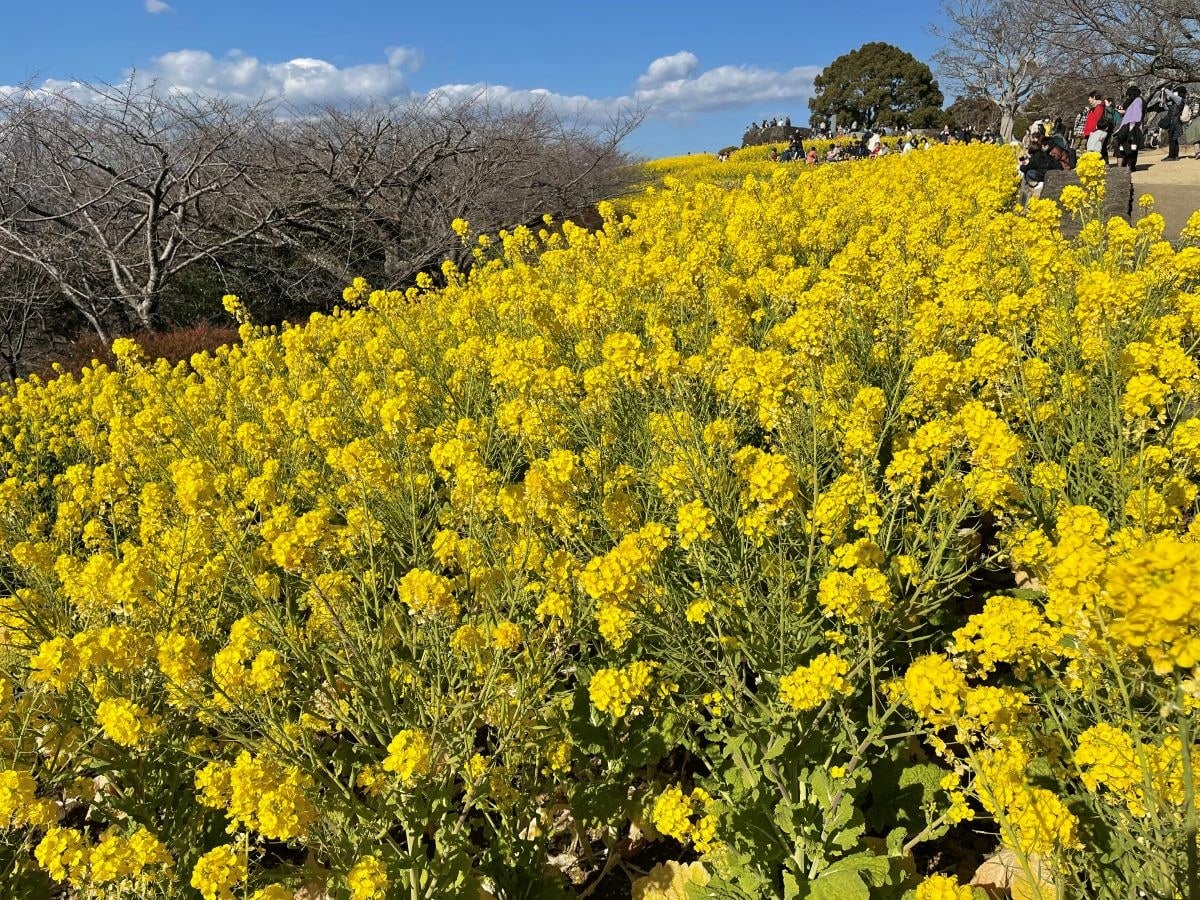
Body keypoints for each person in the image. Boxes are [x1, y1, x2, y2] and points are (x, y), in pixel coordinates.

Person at [1114, 85, 1144, 169]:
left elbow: (1137, 115)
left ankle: (1128, 166)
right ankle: (1128, 166)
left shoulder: (1137, 101)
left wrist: (1131, 127)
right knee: (1128, 147)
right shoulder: (1135, 101)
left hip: (1130, 127)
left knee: (1128, 147)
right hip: (1128, 126)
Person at [1161, 86, 1186, 161]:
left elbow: (1171, 95)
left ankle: (1171, 156)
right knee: (1174, 139)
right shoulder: (1176, 101)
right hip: (1175, 121)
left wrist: (1165, 89)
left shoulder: (1179, 99)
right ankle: (1175, 156)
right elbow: (1166, 108)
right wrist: (1164, 99)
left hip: (1174, 121)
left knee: (1172, 139)